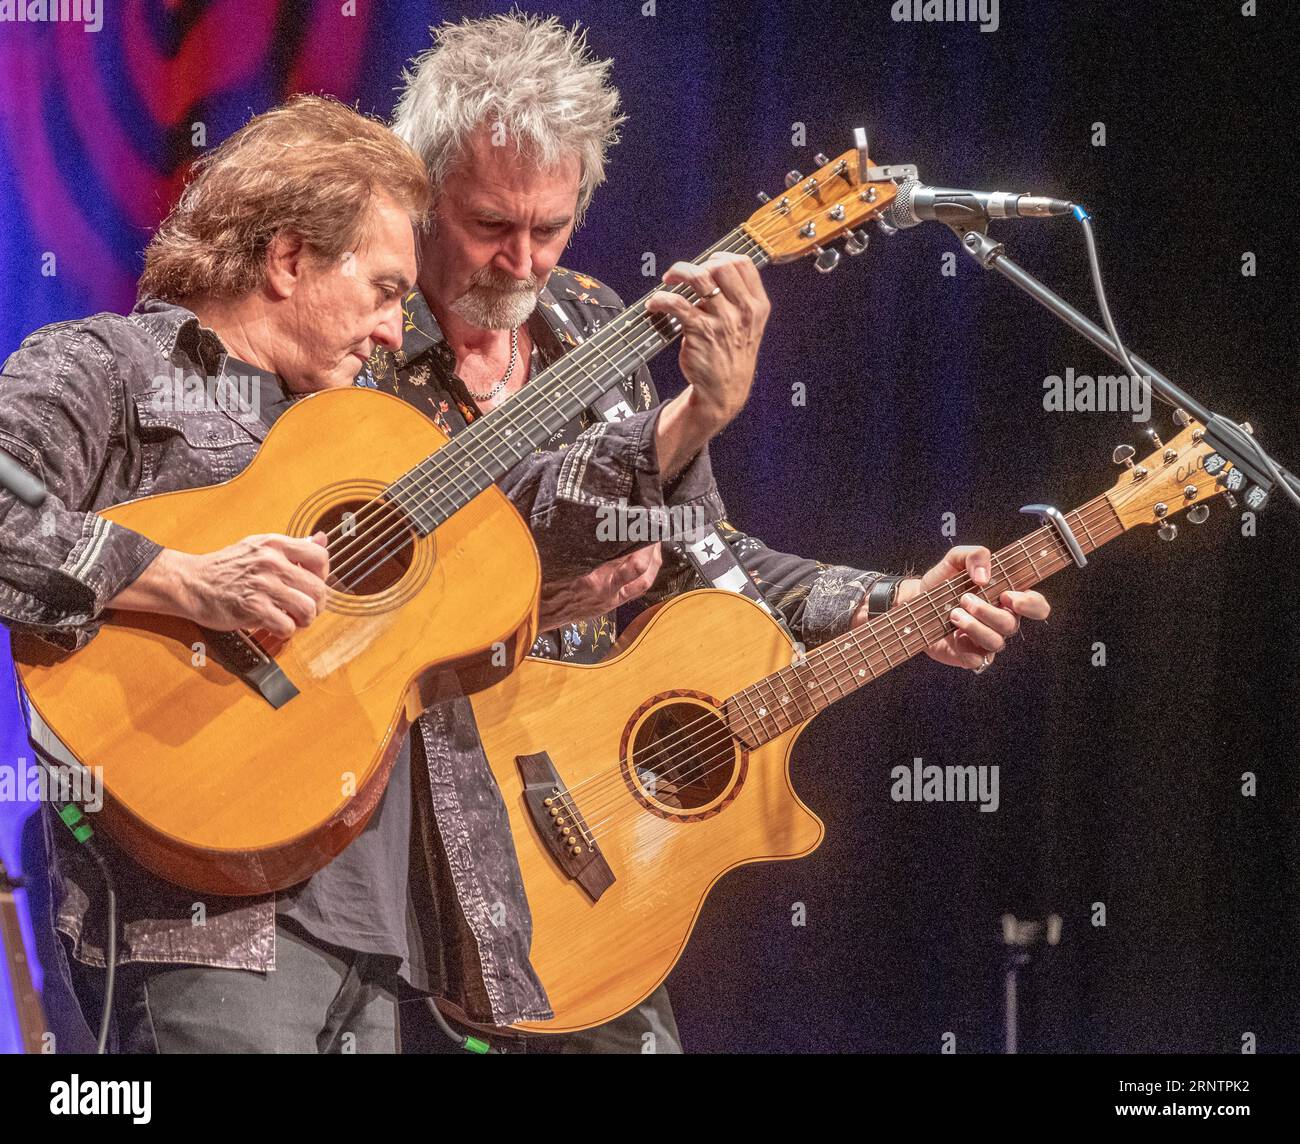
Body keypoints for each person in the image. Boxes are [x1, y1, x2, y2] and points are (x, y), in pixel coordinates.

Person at [0, 94, 743, 1052]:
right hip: (207, 936)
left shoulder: (374, 438)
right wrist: (181, 579)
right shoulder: (114, 367)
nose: (401, 330)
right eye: (388, 290)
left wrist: (692, 419)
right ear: (289, 259)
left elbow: (533, 501)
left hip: (382, 947)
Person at [370, 12, 1051, 1053]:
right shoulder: (358, 335)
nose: (522, 261)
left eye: (550, 229)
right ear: (422, 199)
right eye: (489, 225)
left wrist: (897, 602)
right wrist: (670, 437)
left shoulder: (594, 324)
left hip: (572, 856)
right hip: (394, 842)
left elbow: (710, 561)